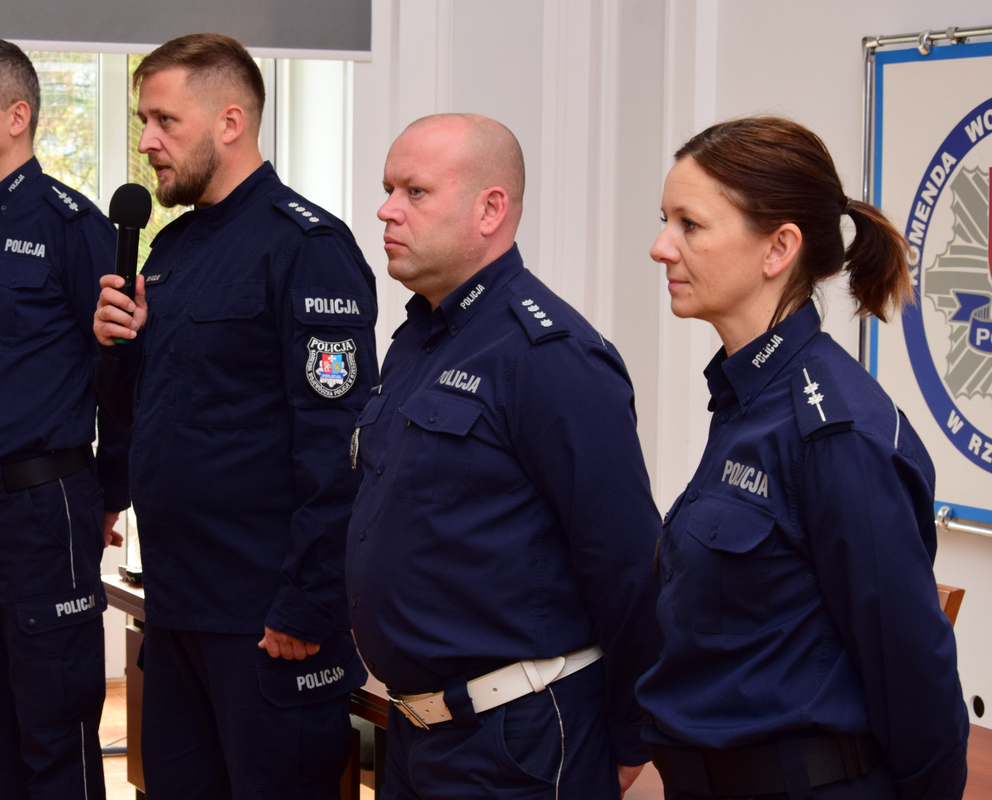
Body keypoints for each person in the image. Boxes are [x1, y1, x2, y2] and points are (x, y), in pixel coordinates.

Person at [639, 116, 968, 800]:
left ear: (778, 248)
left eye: (690, 225)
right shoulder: (747, 399)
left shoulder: (834, 430)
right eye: (665, 221)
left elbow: (912, 672)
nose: (661, 247)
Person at [92, 34, 377, 799]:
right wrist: (116, 347)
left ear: (229, 121)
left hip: (267, 622)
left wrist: (307, 604)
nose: (146, 142)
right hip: (177, 607)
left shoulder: (306, 246)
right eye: (142, 121)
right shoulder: (172, 249)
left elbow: (340, 446)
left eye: (164, 120)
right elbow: (148, 414)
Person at [344, 113, 662, 799]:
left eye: (414, 192)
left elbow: (626, 561)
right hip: (415, 730)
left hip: (516, 737)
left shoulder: (549, 356)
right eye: (388, 189)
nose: (387, 210)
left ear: (490, 209)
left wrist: (630, 734)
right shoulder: (419, 340)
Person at [0, 38, 129, 800]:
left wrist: (110, 492)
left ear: (18, 117)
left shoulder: (71, 226)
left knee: (52, 733)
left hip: (40, 510)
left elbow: (122, 370)